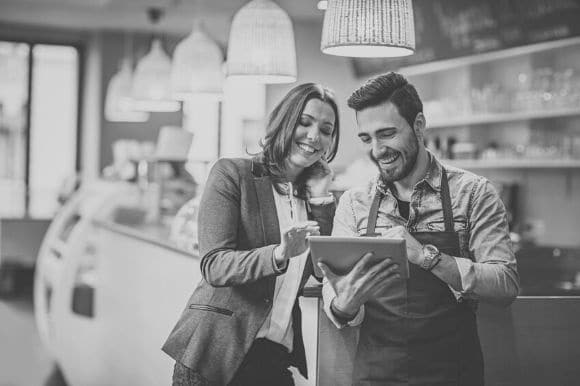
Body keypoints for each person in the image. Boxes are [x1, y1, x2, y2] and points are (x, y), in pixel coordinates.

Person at [318, 72, 519, 386]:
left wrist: (428, 257)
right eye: (367, 138)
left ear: (419, 125)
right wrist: (343, 304)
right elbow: (337, 296)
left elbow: (505, 285)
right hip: (376, 374)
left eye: (387, 133)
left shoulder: (474, 193)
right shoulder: (354, 203)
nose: (377, 150)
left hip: (453, 373)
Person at [162, 83, 340, 386]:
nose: (315, 136)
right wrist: (278, 254)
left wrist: (321, 198)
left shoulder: (313, 197)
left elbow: (324, 271)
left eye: (326, 129)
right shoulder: (233, 174)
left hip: (274, 357)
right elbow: (214, 265)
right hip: (216, 356)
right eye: (305, 122)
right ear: (284, 121)